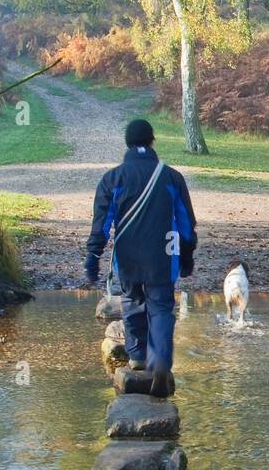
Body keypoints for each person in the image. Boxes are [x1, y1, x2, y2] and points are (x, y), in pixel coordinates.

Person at [84, 119, 197, 394]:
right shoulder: (171, 177)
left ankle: (136, 357)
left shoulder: (113, 179)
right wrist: (187, 254)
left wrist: (93, 256)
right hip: (163, 253)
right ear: (152, 141)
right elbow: (185, 222)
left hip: (128, 254)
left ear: (127, 143)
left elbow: (101, 223)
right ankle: (160, 361)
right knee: (160, 306)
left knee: (132, 300)